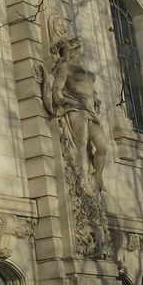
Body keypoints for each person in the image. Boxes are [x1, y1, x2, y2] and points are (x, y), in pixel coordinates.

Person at [43, 36, 109, 190]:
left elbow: (91, 92)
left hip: (91, 112)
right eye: (76, 47)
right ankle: (83, 179)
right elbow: (57, 88)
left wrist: (96, 101)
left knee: (102, 147)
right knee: (81, 146)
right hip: (76, 109)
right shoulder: (65, 67)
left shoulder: (85, 70)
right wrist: (62, 102)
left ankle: (97, 174)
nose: (79, 50)